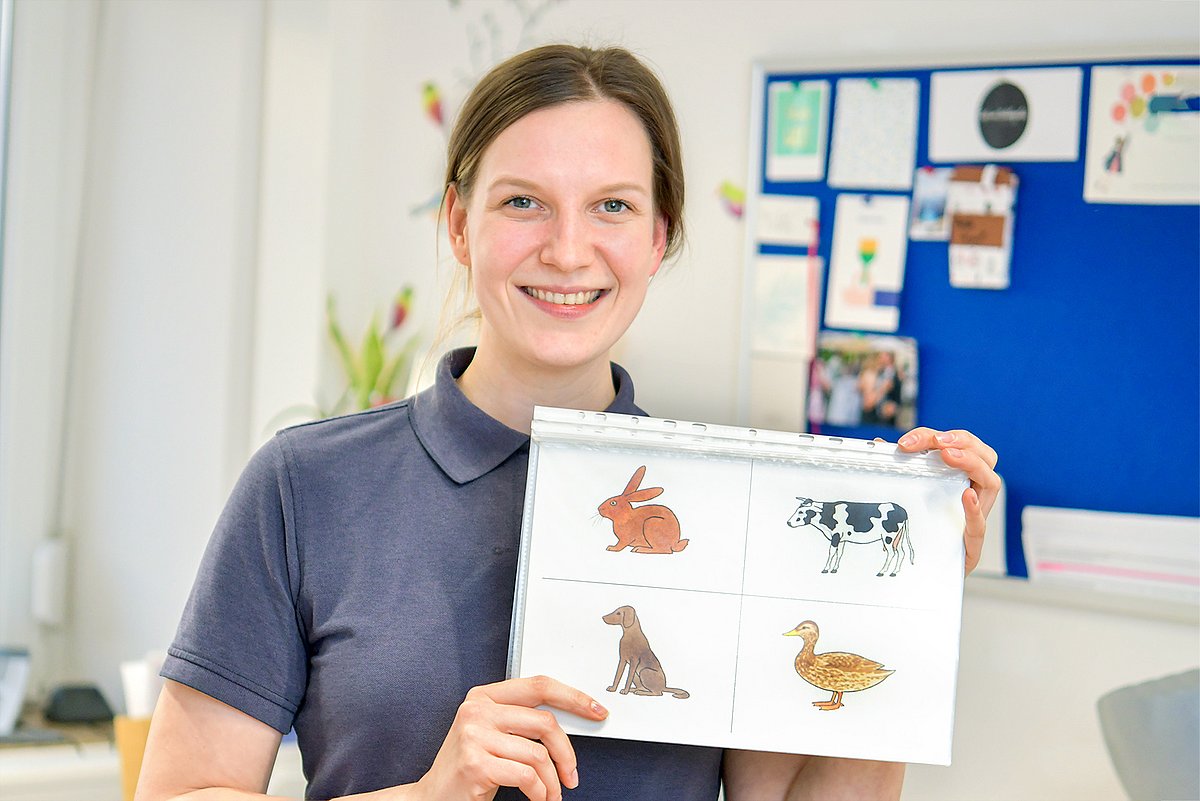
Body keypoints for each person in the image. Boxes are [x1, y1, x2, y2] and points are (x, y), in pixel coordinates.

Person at [136, 44, 1000, 801]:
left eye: (613, 207)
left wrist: (897, 601)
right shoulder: (306, 486)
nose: (568, 249)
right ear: (458, 225)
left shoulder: (732, 508)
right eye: (523, 202)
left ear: (659, 238)